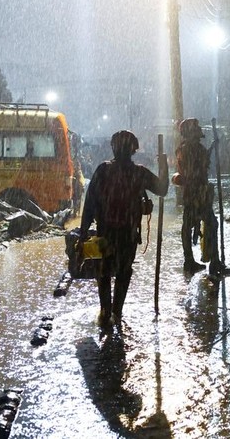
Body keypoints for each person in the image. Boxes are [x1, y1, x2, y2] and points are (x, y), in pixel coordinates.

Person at [79, 130, 169, 327]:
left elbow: (90, 203)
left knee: (103, 271)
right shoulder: (139, 173)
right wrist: (164, 165)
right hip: (128, 234)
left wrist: (83, 231)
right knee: (123, 272)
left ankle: (105, 311)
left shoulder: (103, 170)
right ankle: (117, 313)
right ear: (133, 149)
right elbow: (162, 189)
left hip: (106, 233)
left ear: (113, 147)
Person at [175, 118, 230, 276]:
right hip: (196, 192)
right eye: (196, 127)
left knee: (193, 225)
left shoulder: (187, 148)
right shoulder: (189, 149)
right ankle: (211, 262)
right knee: (208, 224)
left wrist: (213, 147)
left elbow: (200, 164)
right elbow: (196, 169)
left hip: (194, 192)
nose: (200, 130)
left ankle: (194, 261)